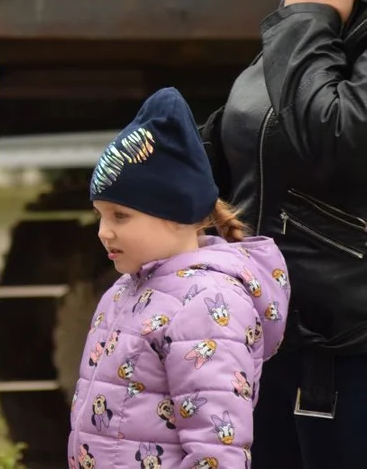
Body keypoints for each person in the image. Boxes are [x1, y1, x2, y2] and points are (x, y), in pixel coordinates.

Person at [198, 0, 367, 467]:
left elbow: (340, 140)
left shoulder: (319, 4)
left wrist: (304, 21)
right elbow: (257, 126)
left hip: (351, 367)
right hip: (287, 354)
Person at [68, 88, 288, 469]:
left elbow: (218, 451)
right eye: (100, 216)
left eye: (120, 216)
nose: (104, 232)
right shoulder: (123, 291)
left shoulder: (206, 304)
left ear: (177, 213)